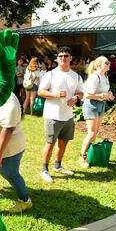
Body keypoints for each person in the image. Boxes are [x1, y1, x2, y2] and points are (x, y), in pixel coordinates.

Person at [0, 70, 32, 213]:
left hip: (7, 151)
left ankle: (25, 200)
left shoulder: (8, 100)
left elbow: (8, 129)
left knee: (12, 176)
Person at [37, 46, 85, 183]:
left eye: (66, 56)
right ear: (57, 59)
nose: (63, 58)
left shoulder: (76, 76)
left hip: (68, 116)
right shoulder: (51, 74)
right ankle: (44, 170)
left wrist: (76, 98)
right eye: (60, 56)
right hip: (53, 115)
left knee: (63, 143)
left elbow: (81, 92)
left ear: (70, 58)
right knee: (50, 143)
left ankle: (57, 166)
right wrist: (54, 94)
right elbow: (41, 92)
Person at [79, 56, 115, 168]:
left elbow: (103, 91)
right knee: (91, 133)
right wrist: (104, 95)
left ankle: (90, 154)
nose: (109, 64)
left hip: (101, 105)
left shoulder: (105, 76)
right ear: (99, 65)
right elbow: (87, 95)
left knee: (96, 132)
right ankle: (82, 157)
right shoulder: (94, 77)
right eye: (107, 62)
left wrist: (109, 94)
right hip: (91, 105)